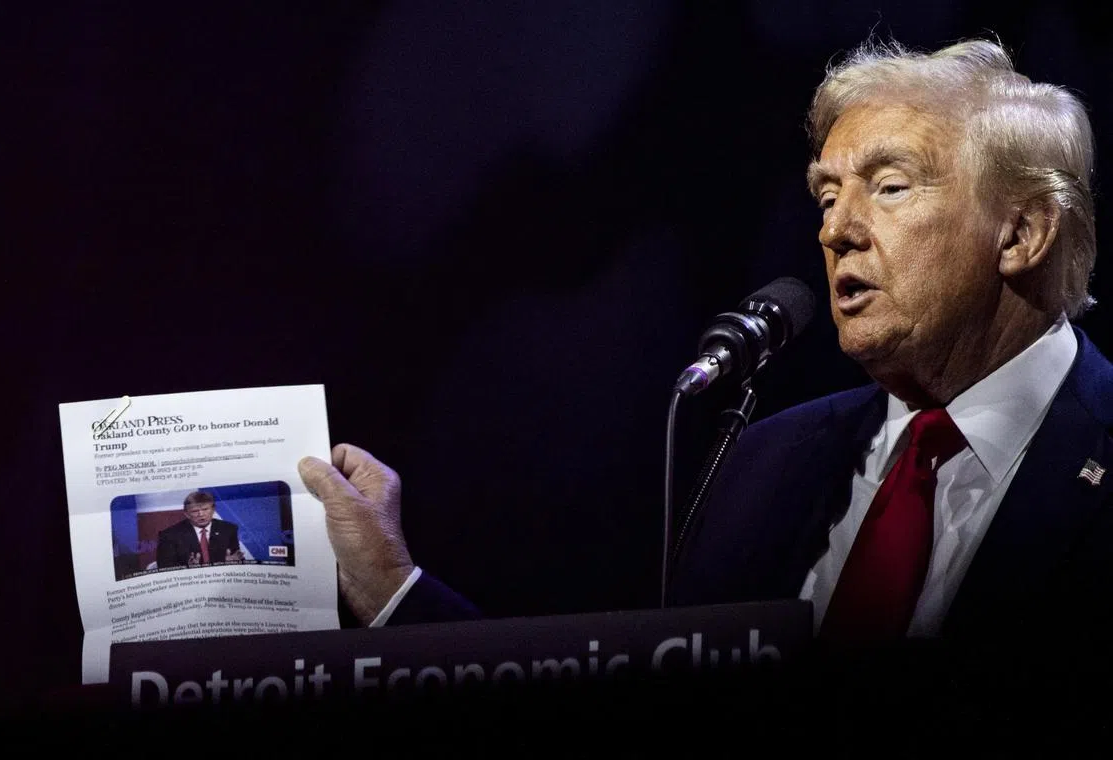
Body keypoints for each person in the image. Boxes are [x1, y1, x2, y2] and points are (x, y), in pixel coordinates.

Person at [297, 39, 1112, 661]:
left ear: (1023, 231)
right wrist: (395, 591)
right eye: (826, 194)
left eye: (889, 186)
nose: (834, 228)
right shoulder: (767, 461)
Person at [155, 490, 245, 569]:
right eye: (195, 511)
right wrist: (187, 568)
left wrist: (233, 563)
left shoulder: (228, 529)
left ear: (213, 510)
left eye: (205, 509)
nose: (201, 514)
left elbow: (236, 557)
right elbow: (164, 567)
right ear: (186, 514)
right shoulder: (169, 535)